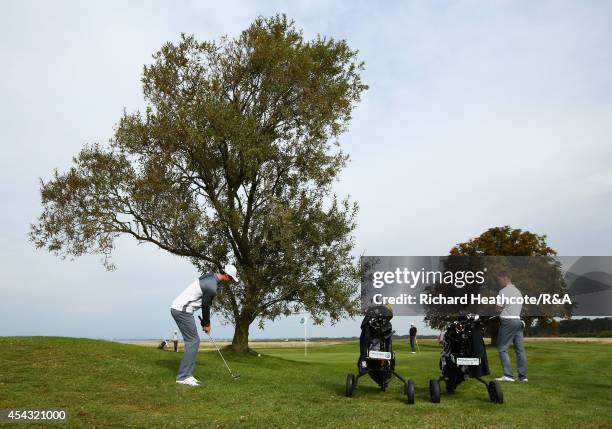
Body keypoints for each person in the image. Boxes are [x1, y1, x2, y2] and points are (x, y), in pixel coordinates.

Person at [170, 264, 239, 386]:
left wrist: (204, 322)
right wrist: (207, 324)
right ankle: (183, 377)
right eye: (231, 279)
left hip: (182, 309)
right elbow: (205, 305)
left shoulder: (210, 277)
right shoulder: (212, 287)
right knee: (193, 341)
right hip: (182, 310)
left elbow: (203, 301)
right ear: (226, 276)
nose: (231, 281)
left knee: (193, 341)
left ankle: (188, 375)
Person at [494, 271, 528, 382]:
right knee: (520, 349)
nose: (498, 282)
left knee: (502, 348)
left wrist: (500, 309)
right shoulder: (518, 291)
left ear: (505, 278)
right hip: (518, 321)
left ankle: (508, 376)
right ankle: (523, 377)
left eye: (499, 279)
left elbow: (498, 308)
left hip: (508, 322)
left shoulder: (503, 291)